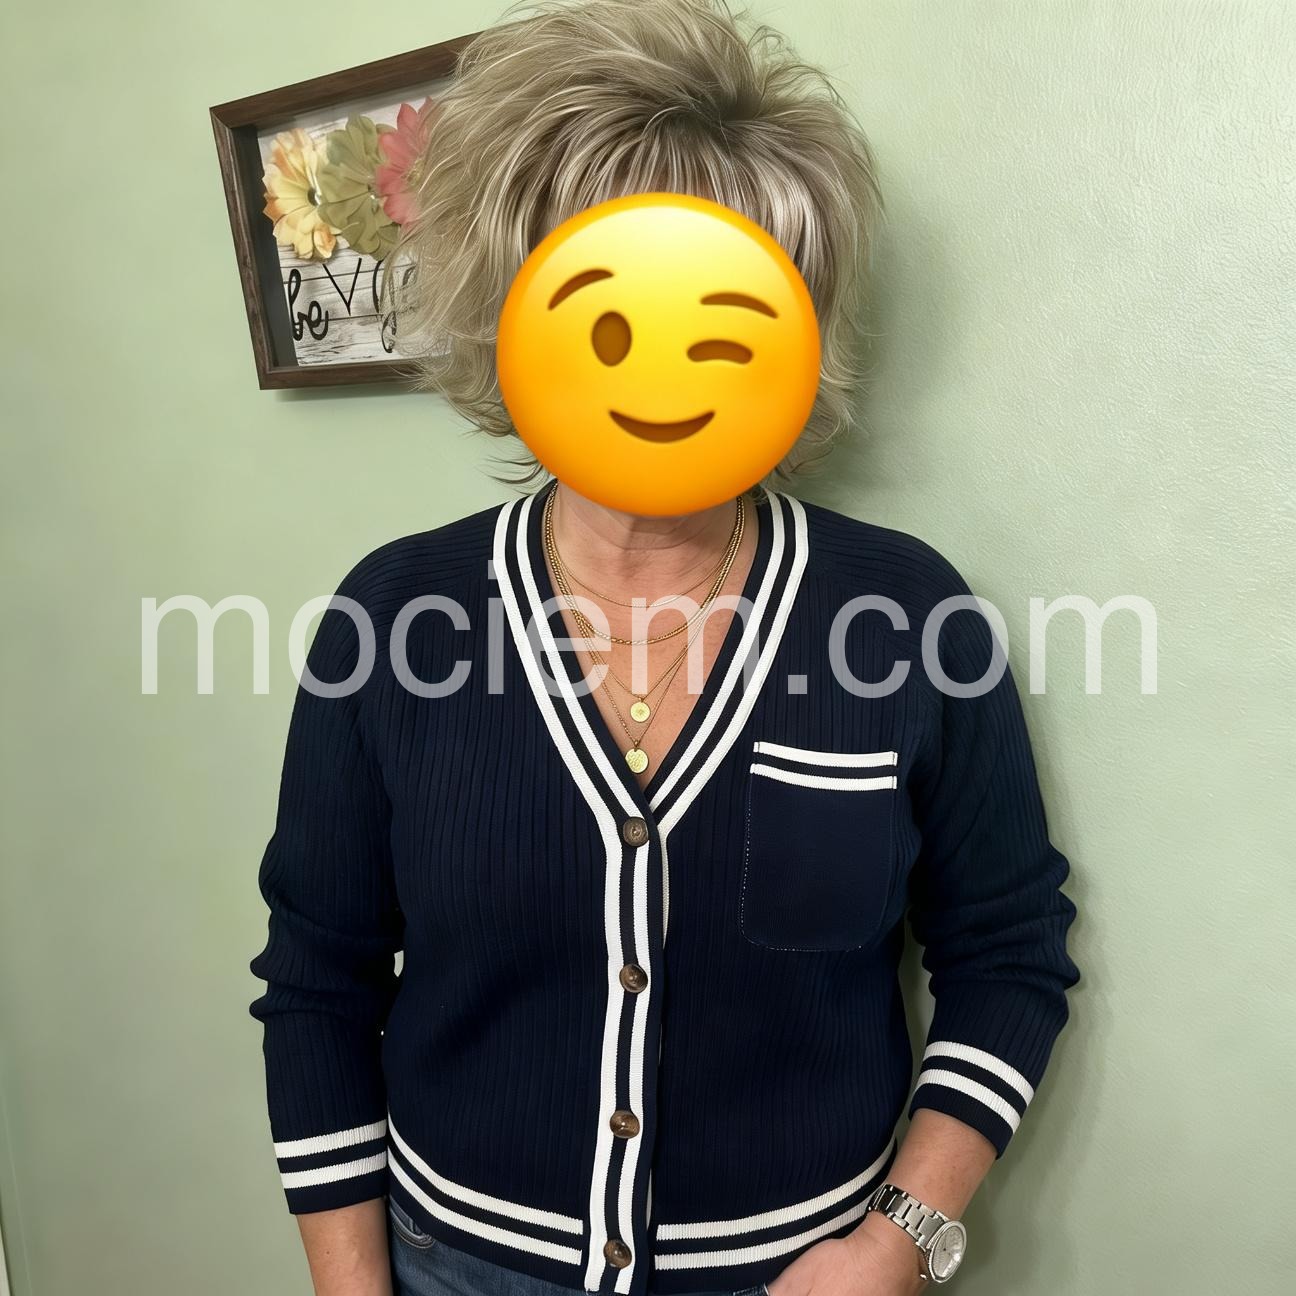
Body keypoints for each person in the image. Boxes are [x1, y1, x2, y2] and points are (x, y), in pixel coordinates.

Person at [247, 2, 1081, 1294]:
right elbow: (317, 981)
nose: (663, 365)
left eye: (724, 318)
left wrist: (901, 1242)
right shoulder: (393, 617)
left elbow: (1008, 953)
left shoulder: (911, 617)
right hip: (455, 1267)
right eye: (606, 317)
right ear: (510, 319)